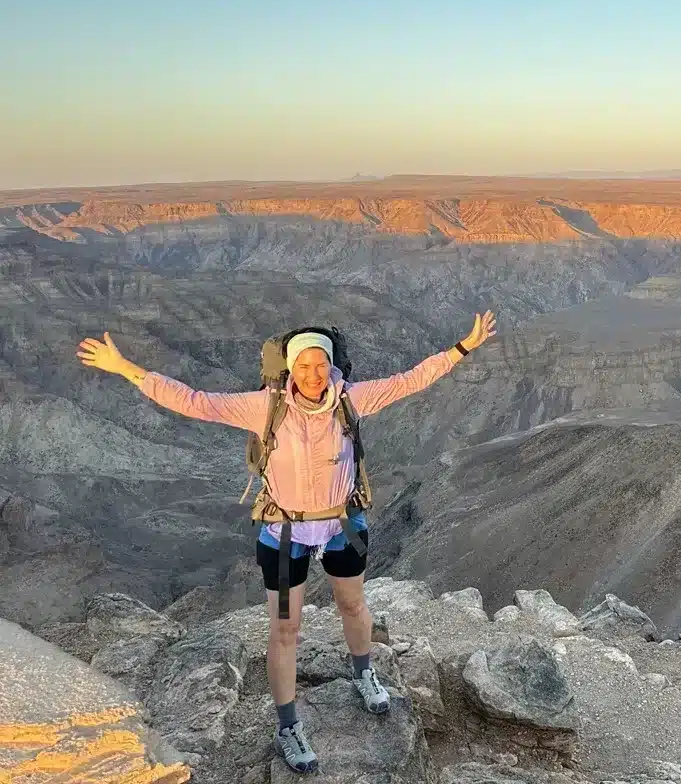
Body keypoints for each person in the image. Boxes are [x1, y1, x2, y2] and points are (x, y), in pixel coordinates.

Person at [76, 311, 497, 774]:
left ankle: (363, 672)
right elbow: (195, 401)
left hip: (341, 526)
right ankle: (288, 726)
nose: (313, 374)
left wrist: (463, 347)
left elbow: (411, 380)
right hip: (285, 534)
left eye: (321, 364)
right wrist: (126, 368)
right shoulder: (266, 407)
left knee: (353, 605)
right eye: (304, 366)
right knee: (284, 627)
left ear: (332, 365)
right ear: (290, 368)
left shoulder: (351, 399)